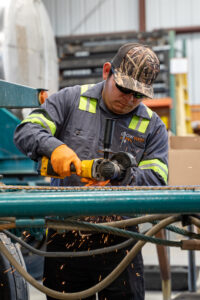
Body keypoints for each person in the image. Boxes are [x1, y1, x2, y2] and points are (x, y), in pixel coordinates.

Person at [14, 43, 168, 300]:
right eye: (124, 89)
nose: (129, 99)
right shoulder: (70, 99)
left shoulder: (153, 126)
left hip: (122, 240)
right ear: (107, 71)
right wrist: (54, 147)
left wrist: (120, 175)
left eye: (138, 95)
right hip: (65, 240)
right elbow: (26, 130)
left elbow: (157, 181)